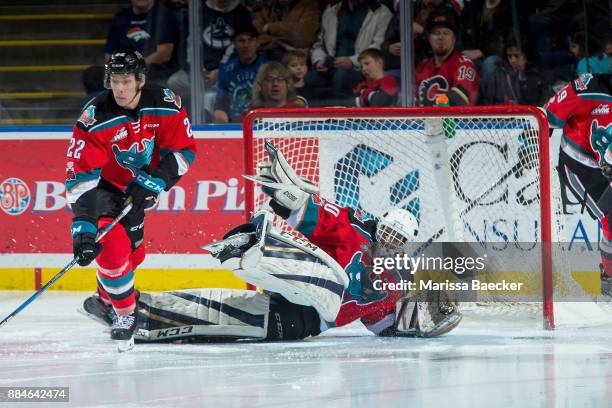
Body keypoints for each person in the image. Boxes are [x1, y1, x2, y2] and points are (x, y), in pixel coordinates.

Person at [81, 144, 462, 343]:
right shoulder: (356, 230)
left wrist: (406, 325)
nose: (391, 241)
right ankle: (257, 246)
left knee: (213, 317)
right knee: (332, 275)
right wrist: (291, 201)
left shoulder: (393, 282)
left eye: (399, 239)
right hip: (296, 285)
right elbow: (321, 217)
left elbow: (378, 324)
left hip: (303, 319)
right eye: (389, 232)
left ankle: (133, 314)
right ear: (382, 227)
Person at [66, 50, 197, 342]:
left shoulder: (164, 103)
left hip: (141, 185)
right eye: (114, 81)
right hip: (104, 188)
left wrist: (154, 182)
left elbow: (184, 150)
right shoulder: (95, 116)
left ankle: (104, 297)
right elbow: (80, 177)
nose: (120, 88)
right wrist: (85, 230)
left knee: (134, 255)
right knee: (111, 252)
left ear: (140, 79)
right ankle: (125, 311)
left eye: (126, 81)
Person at [544, 73, 612, 297]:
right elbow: (550, 113)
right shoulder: (589, 87)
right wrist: (532, 138)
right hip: (580, 165)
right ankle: (610, 281)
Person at [83, 0, 180, 95]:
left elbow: (164, 54)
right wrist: (117, 67)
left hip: (152, 68)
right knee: (92, 75)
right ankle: (102, 109)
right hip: (122, 67)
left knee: (144, 75)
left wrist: (135, 67)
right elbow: (109, 52)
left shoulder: (164, 16)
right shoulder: (121, 17)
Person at [306, 0, 393, 104]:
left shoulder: (382, 12)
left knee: (341, 76)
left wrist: (352, 61)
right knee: (308, 80)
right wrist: (319, 60)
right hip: (330, 65)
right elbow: (319, 43)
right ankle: (313, 118)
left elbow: (377, 47)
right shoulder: (331, 10)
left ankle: (339, 117)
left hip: (359, 67)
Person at [415, 12, 480, 106]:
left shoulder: (464, 64)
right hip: (423, 120)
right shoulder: (421, 68)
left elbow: (459, 101)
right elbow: (411, 101)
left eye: (446, 33)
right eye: (436, 33)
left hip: (454, 120)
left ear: (454, 39)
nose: (440, 37)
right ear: (429, 38)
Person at [213, 23, 268, 123]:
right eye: (241, 41)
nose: (246, 45)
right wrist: (224, 127)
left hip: (262, 125)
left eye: (250, 40)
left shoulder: (268, 69)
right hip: (235, 127)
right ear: (234, 44)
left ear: (257, 42)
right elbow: (220, 105)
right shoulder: (226, 70)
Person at [479, 39, 548, 106]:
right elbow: (487, 102)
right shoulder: (497, 75)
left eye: (516, 56)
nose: (513, 60)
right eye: (509, 56)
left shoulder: (537, 76)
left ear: (526, 56)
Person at [253, 0, 321, 61]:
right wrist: (282, 44)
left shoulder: (310, 5)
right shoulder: (267, 7)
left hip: (295, 60)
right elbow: (253, 38)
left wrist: (269, 27)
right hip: (266, 58)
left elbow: (304, 37)